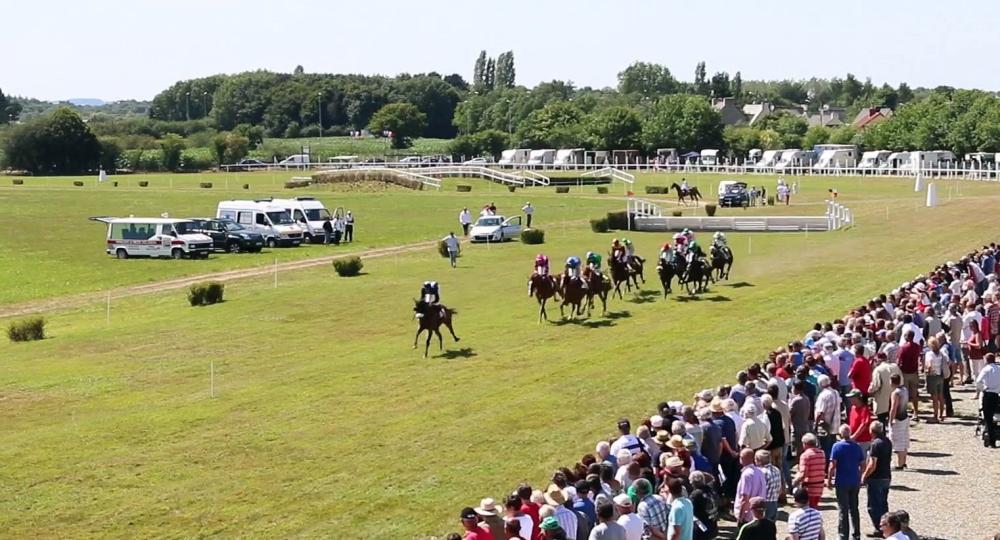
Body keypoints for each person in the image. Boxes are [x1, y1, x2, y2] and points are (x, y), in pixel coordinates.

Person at [828, 425, 864, 540]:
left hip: (842, 482)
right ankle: (856, 533)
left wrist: (829, 480)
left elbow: (832, 466)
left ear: (840, 434)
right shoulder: (857, 447)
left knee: (843, 509)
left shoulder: (837, 446)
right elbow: (863, 464)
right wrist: (860, 476)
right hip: (854, 481)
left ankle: (844, 535)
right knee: (854, 508)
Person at [862, 421, 892, 538]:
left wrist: (864, 475)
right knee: (883, 504)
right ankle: (888, 528)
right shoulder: (887, 441)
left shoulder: (875, 444)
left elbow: (872, 464)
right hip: (886, 476)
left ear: (872, 431)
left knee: (873, 506)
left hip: (876, 478)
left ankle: (879, 529)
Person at [733, 449, 766, 526]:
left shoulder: (746, 475)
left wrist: (740, 517)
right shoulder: (759, 472)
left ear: (744, 458)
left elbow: (745, 498)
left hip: (747, 516)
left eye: (741, 457)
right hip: (757, 514)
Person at [793, 433, 826, 509]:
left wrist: (795, 482)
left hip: (809, 487)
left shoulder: (805, 455)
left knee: (807, 509)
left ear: (805, 444)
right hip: (819, 486)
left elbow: (803, 473)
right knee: (814, 507)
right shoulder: (822, 453)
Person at [976, 352, 1000, 447]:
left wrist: (983, 388)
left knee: (988, 419)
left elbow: (978, 381)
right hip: (997, 395)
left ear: (986, 360)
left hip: (988, 394)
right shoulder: (998, 369)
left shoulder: (986, 369)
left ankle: (991, 440)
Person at [887, 374, 909, 470]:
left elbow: (893, 408)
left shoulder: (895, 393)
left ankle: (900, 464)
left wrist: (890, 420)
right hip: (905, 417)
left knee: (898, 441)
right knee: (904, 440)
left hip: (898, 419)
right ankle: (903, 462)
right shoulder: (904, 389)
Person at [687, 471, 718, 540]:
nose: (690, 483)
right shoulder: (711, 491)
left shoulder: (695, 495)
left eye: (690, 481)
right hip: (713, 525)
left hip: (701, 528)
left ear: (694, 482)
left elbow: (689, 510)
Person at [924, 337, 947, 422]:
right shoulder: (940, 353)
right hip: (940, 375)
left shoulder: (929, 354)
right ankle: (941, 414)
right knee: (940, 396)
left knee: (934, 397)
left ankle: (935, 415)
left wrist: (927, 371)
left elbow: (929, 365)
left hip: (932, 376)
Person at [846, 390, 873, 455]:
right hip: (854, 439)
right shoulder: (853, 408)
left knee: (862, 460)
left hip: (863, 440)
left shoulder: (864, 409)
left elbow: (864, 424)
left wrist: (854, 436)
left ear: (858, 398)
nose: (850, 400)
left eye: (852, 398)